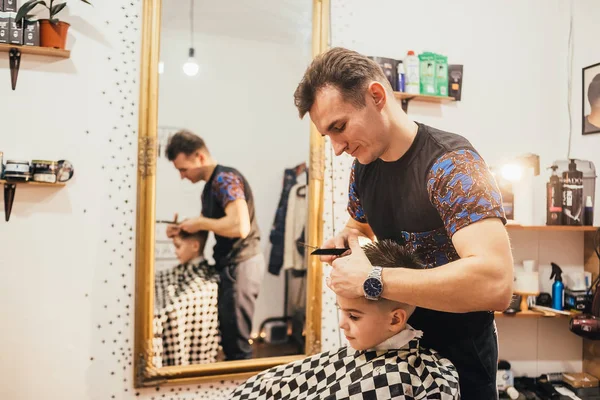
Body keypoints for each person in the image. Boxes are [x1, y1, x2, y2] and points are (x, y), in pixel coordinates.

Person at [293, 47, 513, 399]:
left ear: (376, 96)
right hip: (397, 355)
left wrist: (373, 280)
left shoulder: (452, 165)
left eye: (340, 127)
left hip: (458, 362)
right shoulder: (364, 168)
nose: (335, 147)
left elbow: (496, 283)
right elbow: (359, 228)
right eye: (328, 135)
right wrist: (346, 240)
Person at [229, 239, 460, 400]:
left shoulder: (399, 379)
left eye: (353, 316)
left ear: (395, 320)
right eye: (341, 310)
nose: (341, 323)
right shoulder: (365, 355)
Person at [165, 130, 265, 361]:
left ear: (199, 157)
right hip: (235, 264)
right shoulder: (210, 187)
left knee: (237, 344)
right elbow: (213, 226)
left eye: (183, 169)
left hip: (242, 264)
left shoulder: (224, 179)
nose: (182, 176)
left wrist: (199, 221)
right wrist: (181, 230)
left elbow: (240, 226)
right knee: (230, 336)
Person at [154, 230, 220, 366]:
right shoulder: (178, 271)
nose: (175, 252)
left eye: (178, 246)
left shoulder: (206, 282)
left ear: (195, 246)